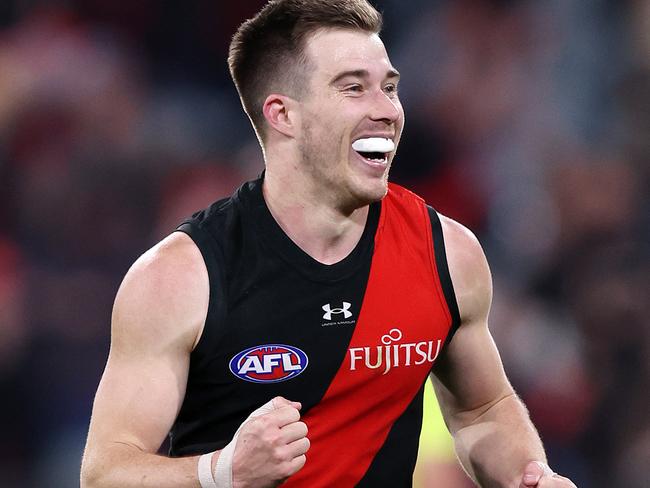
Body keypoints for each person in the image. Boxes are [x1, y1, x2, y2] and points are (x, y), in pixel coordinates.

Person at [80, 1, 578, 487]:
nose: (387, 110)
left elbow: (481, 408)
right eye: (353, 89)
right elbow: (106, 472)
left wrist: (527, 475)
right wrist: (221, 474)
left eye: (389, 88)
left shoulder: (446, 250)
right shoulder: (183, 277)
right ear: (282, 115)